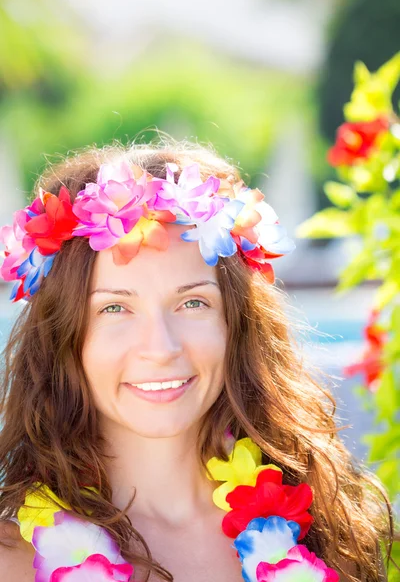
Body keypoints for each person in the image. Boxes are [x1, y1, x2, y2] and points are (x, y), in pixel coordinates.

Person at [0, 140, 393, 582]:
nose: (162, 346)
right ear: (62, 336)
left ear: (237, 324)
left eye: (192, 303)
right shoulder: (12, 559)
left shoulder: (333, 528)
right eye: (114, 308)